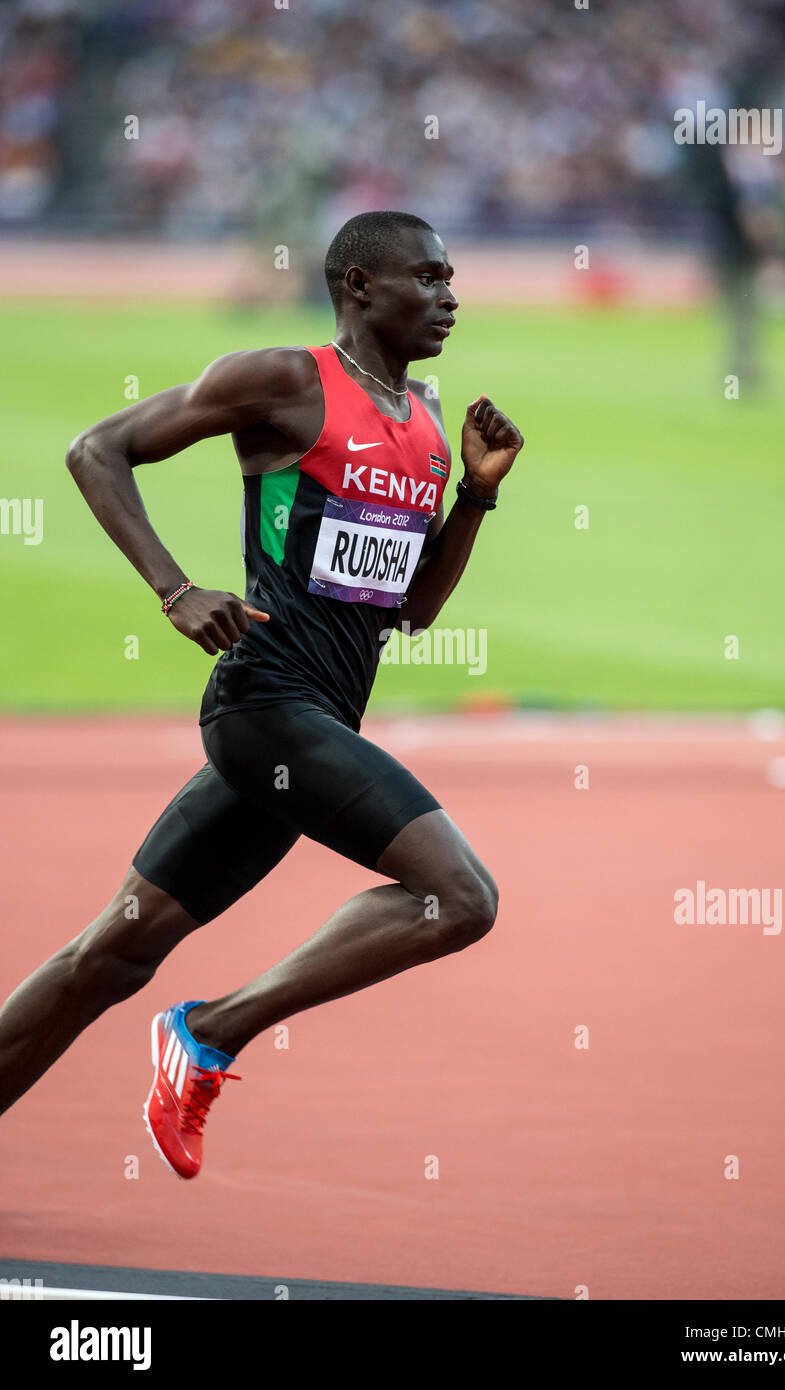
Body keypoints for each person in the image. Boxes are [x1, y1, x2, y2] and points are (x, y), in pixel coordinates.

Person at [0, 210, 524, 1179]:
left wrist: (475, 498)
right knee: (459, 898)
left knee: (110, 957)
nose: (450, 297)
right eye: (428, 276)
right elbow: (96, 448)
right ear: (360, 286)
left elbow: (408, 611)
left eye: (454, 279)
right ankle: (210, 1032)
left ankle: (192, 1028)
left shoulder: (423, 427)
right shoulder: (284, 383)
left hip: (311, 726)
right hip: (263, 704)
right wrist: (174, 588)